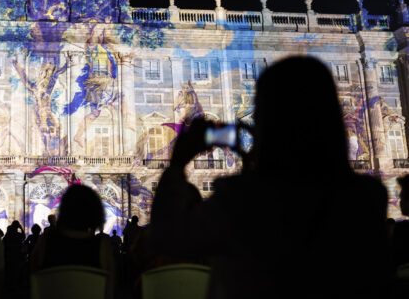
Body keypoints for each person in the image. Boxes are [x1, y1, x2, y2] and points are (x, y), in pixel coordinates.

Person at [150, 56, 390, 299]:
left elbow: (166, 238)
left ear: (267, 120)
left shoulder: (241, 200)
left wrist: (178, 162)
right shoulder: (368, 196)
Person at [31, 184, 115, 298]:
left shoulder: (45, 241)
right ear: (96, 212)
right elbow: (109, 291)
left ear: (63, 211)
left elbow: (33, 284)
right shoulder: (103, 245)